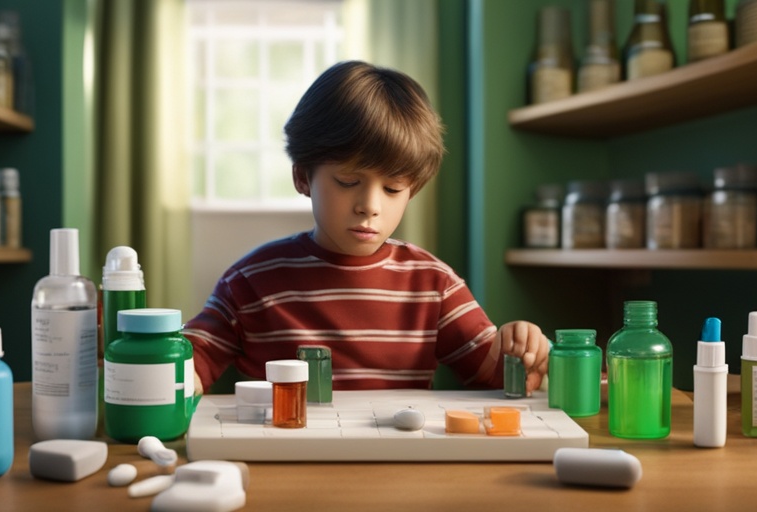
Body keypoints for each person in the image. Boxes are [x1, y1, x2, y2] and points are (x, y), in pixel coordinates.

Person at [183, 60, 549, 395]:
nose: (370, 207)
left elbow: (499, 378)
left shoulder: (433, 284)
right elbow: (186, 366)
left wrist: (522, 347)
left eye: (392, 189)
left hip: (400, 461)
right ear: (303, 177)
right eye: (346, 181)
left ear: (413, 191)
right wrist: (169, 373)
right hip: (288, 458)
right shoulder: (250, 281)